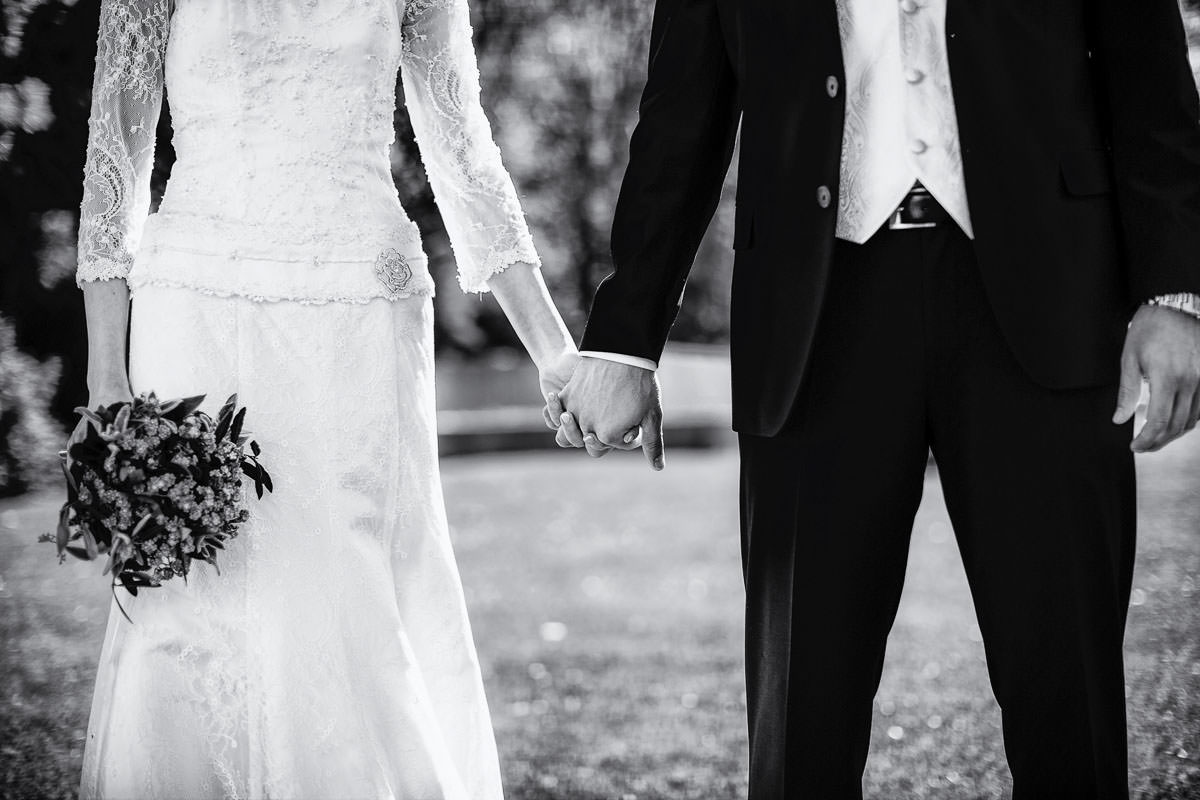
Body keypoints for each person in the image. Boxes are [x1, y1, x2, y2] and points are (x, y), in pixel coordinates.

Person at [550, 1, 1200, 797]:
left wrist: (1175, 294)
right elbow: (682, 112)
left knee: (1070, 697)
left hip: (1049, 299)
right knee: (803, 721)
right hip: (813, 317)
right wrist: (624, 338)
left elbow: (1152, 81)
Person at [71, 0, 577, 796]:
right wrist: (107, 384)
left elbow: (462, 149)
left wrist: (554, 350)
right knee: (187, 612)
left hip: (356, 314)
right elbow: (115, 164)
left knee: (347, 600)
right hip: (193, 312)